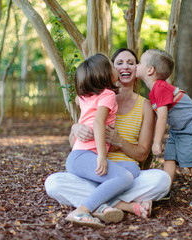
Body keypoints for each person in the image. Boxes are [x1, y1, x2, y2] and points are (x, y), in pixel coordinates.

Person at [45, 48, 171, 226]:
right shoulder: (96, 97)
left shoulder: (145, 106)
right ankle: (125, 205)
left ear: (138, 69)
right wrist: (76, 128)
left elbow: (143, 154)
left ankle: (99, 203)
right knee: (53, 182)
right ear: (109, 70)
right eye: (119, 63)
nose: (125, 66)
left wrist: (118, 141)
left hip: (124, 174)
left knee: (162, 179)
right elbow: (76, 144)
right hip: (94, 170)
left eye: (131, 62)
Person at [65, 53, 141, 228]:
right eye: (113, 66)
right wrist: (101, 156)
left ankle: (102, 201)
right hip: (85, 156)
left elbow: (78, 99)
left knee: (133, 169)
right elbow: (99, 122)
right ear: (105, 75)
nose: (117, 69)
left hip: (79, 158)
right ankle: (82, 210)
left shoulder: (86, 96)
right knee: (126, 177)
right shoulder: (107, 94)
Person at [136, 49, 192, 209]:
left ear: (150, 70)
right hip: (178, 129)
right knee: (170, 158)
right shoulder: (154, 91)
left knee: (189, 158)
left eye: (139, 62)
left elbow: (163, 117)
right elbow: (158, 116)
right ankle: (165, 189)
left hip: (191, 125)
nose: (136, 65)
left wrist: (156, 142)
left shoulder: (160, 87)